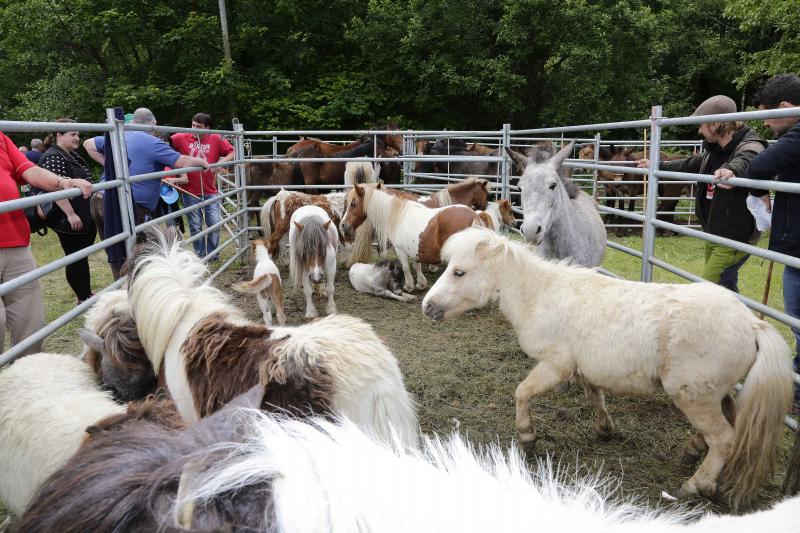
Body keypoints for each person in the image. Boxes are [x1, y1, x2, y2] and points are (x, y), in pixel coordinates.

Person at [718, 74, 800, 414]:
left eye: (765, 116)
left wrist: (757, 191)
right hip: (793, 235)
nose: (764, 124)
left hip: (797, 241)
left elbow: (759, 165)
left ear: (785, 108)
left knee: (797, 313)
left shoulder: (798, 133)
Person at [637, 95, 766, 292]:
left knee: (704, 291)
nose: (699, 130)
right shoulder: (713, 150)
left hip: (734, 237)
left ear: (716, 124)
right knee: (725, 289)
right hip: (714, 231)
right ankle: (736, 322)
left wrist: (732, 169)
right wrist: (658, 165)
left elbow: (749, 157)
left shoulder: (749, 144)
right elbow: (689, 164)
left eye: (701, 125)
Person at [83, 107, 208, 278]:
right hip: (128, 203)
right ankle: (137, 286)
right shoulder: (152, 141)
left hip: (99, 199)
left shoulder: (119, 135)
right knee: (137, 249)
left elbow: (88, 144)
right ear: (153, 124)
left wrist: (113, 167)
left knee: (114, 248)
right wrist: (203, 161)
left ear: (133, 122)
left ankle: (122, 286)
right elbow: (181, 161)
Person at [0, 130, 92, 356]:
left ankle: (27, 380)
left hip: (16, 243)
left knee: (31, 322)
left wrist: (62, 182)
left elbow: (30, 171)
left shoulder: (1, 137)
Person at [37, 119, 97, 303]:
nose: (77, 138)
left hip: (82, 214)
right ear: (59, 135)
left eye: (78, 134)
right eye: (72, 134)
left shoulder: (72, 155)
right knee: (75, 256)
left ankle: (87, 294)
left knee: (81, 256)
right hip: (67, 217)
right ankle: (83, 297)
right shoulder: (53, 157)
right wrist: (70, 214)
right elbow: (54, 188)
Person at [171, 113, 234, 262]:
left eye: (198, 127)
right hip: (189, 190)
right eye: (193, 125)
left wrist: (220, 163)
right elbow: (164, 146)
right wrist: (174, 172)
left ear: (207, 128)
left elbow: (232, 151)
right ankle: (200, 257)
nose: (194, 129)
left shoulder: (215, 139)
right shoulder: (180, 137)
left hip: (210, 190)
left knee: (214, 224)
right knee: (195, 226)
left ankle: (212, 255)